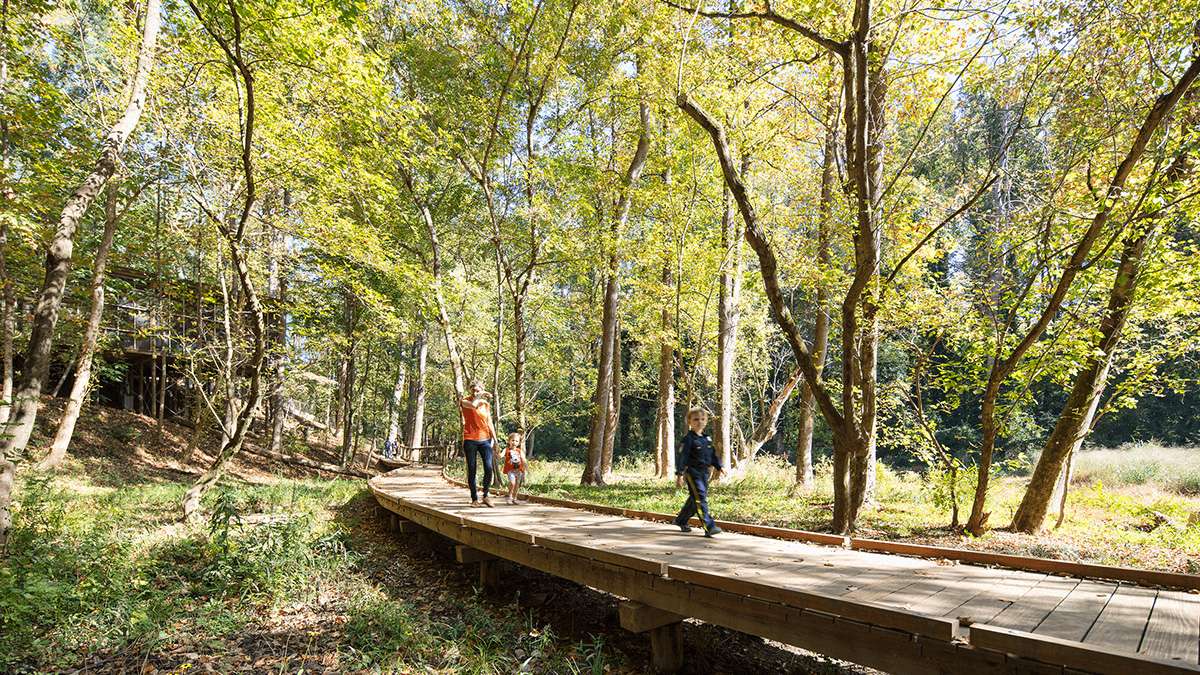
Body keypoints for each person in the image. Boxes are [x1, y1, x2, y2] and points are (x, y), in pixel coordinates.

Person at [673, 407, 723, 537]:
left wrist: (719, 466)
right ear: (689, 422)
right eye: (695, 419)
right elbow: (682, 457)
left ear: (706, 421)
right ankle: (709, 527)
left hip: (704, 473)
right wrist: (679, 474)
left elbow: (712, 455)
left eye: (702, 419)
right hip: (693, 473)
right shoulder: (688, 439)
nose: (699, 422)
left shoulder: (707, 439)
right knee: (700, 498)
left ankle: (681, 520)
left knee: (695, 498)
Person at [460, 381, 497, 507]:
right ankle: (474, 499)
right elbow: (474, 405)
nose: (475, 392)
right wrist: (479, 395)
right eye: (473, 390)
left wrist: (495, 440)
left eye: (478, 390)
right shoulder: (465, 401)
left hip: (485, 439)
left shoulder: (485, 404)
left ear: (482, 389)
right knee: (472, 469)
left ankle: (486, 495)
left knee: (488, 467)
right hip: (470, 439)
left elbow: (489, 421)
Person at [502, 431, 528, 505]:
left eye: (516, 441)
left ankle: (515, 498)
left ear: (519, 443)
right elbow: (500, 455)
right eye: (512, 440)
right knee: (512, 483)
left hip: (518, 470)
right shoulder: (506, 450)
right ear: (509, 441)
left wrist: (526, 468)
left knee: (517, 484)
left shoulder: (519, 451)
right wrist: (496, 453)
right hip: (510, 470)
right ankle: (509, 497)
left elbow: (523, 459)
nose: (514, 442)